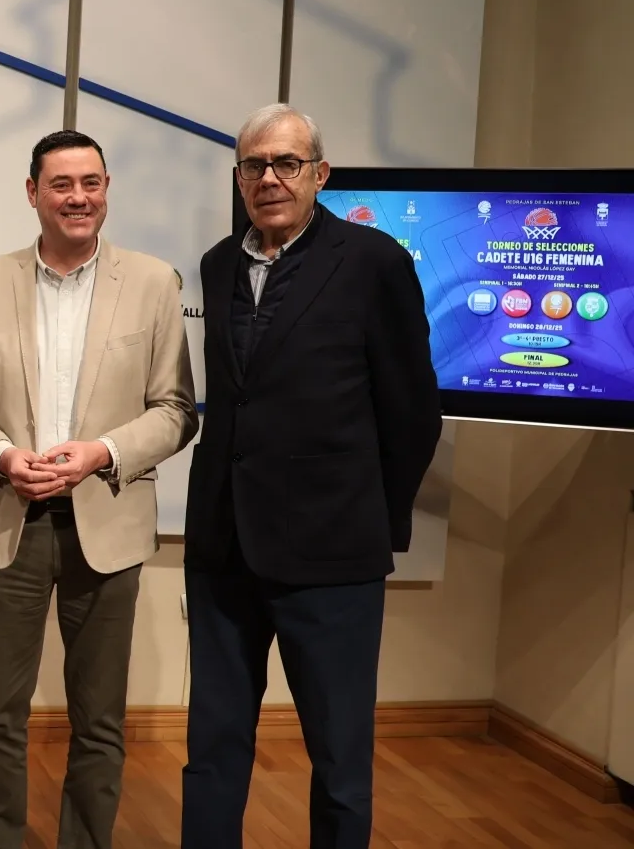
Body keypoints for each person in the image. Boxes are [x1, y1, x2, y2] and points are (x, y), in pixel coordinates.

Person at [181, 104, 441, 849]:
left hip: (333, 558)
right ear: (238, 177)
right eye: (254, 165)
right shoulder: (218, 264)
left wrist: (369, 521)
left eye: (286, 163)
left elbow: (412, 414)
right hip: (224, 549)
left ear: (319, 174)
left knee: (339, 762)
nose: (269, 178)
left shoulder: (374, 262)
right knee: (212, 751)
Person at [0, 129, 199, 849]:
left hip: (108, 526)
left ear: (107, 189)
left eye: (91, 183)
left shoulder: (153, 283)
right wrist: (3, 457)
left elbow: (175, 410)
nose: (78, 197)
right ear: (33, 193)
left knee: (99, 720)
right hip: (12, 525)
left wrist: (101, 453)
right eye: (61, 184)